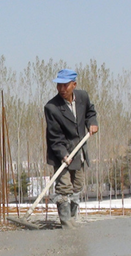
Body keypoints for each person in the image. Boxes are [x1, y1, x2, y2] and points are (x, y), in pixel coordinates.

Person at [44, 69, 98, 229]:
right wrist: (63, 154)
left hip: (79, 150)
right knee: (64, 188)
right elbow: (54, 136)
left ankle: (74, 220)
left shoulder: (83, 97)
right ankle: (67, 226)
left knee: (77, 187)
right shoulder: (52, 107)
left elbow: (90, 112)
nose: (61, 89)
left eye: (65, 85)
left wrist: (92, 123)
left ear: (74, 85)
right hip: (61, 152)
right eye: (59, 85)